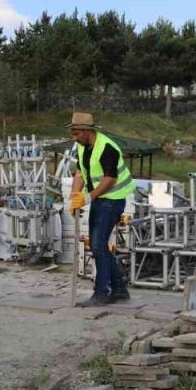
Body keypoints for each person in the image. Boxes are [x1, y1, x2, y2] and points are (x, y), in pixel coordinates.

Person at [66, 112, 134, 307]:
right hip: (99, 200)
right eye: (73, 133)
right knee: (100, 247)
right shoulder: (82, 147)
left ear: (88, 131)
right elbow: (80, 173)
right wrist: (74, 197)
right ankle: (119, 290)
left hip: (112, 200)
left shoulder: (107, 147)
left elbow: (109, 179)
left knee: (97, 246)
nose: (74, 137)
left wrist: (87, 197)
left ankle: (101, 293)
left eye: (77, 133)